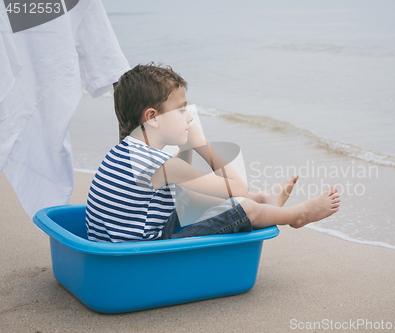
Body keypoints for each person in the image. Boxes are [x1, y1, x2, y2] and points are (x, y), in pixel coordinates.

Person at [85, 63, 340, 243]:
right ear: (152, 117)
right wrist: (201, 145)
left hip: (122, 241)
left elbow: (179, 183)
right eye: (181, 109)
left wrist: (186, 148)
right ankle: (295, 216)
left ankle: (264, 199)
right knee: (243, 206)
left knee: (195, 194)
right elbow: (237, 188)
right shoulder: (162, 166)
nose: (188, 116)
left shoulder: (126, 151)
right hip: (146, 250)